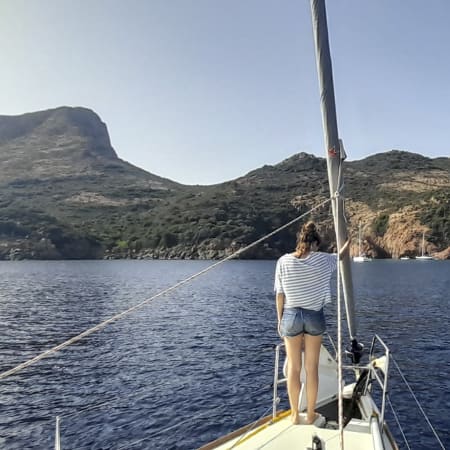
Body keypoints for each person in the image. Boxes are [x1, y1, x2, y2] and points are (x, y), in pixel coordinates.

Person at [274, 221, 349, 425]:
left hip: (290, 316)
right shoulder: (324, 260)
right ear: (315, 243)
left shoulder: (283, 261)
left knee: (294, 368)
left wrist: (280, 321)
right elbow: (342, 254)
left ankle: (294, 414)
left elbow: (280, 295)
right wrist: (347, 238)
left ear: (300, 241)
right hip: (314, 315)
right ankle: (310, 414)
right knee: (311, 368)